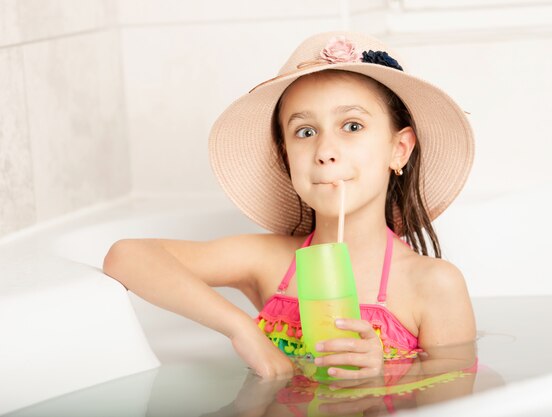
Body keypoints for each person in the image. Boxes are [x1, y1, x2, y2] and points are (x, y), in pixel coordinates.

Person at [103, 31, 477, 381]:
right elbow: (127, 256)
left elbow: (454, 401)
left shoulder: (433, 285)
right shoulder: (268, 262)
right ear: (286, 158)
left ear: (399, 149)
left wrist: (385, 378)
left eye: (352, 126)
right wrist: (241, 329)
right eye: (305, 132)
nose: (325, 152)